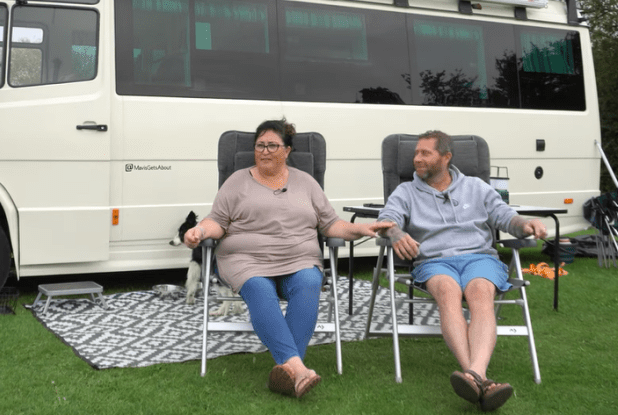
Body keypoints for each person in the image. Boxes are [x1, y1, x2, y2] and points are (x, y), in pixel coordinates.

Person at [185, 118, 390, 398]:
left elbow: (331, 224)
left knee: (308, 282)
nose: (265, 151)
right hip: (247, 260)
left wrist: (361, 228)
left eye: (272, 145)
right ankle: (299, 369)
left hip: (298, 260)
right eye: (260, 145)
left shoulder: (306, 183)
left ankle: (289, 371)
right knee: (259, 288)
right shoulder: (237, 182)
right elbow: (217, 221)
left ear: (288, 150)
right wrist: (198, 230)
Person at [377, 131, 547, 411]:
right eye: (416, 153)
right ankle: (479, 377)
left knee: (480, 293)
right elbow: (387, 219)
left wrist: (525, 223)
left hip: (480, 257)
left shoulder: (476, 187)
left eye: (425, 153)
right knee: (447, 291)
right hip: (434, 261)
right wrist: (394, 232)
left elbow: (504, 216)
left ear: (446, 157)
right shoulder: (406, 191)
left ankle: (473, 375)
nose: (416, 158)